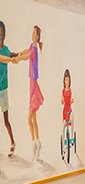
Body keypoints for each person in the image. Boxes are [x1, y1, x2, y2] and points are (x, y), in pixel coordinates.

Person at [16, 25, 45, 161]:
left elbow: (27, 55)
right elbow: (25, 51)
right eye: (32, 33)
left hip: (34, 86)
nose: (33, 35)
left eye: (34, 33)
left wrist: (18, 58)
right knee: (33, 118)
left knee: (29, 118)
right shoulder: (32, 46)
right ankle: (37, 143)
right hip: (31, 84)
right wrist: (18, 54)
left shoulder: (35, 50)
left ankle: (35, 144)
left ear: (37, 36)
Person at [0, 21, 19, 157]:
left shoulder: (6, 49)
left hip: (3, 90)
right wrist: (11, 59)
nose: (0, 36)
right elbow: (3, 59)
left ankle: (13, 142)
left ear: (4, 35)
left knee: (6, 120)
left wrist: (19, 55)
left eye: (1, 34)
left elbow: (11, 54)